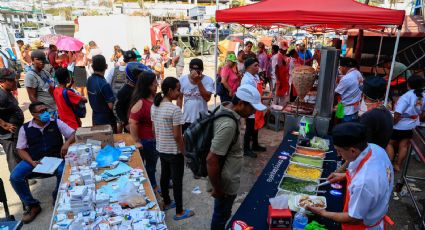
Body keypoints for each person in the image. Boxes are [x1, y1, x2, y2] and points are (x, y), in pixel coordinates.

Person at [307, 122, 394, 230]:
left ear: (353, 150)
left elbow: (353, 218)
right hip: (376, 208)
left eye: (339, 150)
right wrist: (344, 175)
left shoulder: (363, 183)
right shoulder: (375, 148)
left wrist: (323, 213)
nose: (338, 154)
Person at [208, 84, 266, 230]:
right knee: (221, 216)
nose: (253, 112)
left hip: (226, 179)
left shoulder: (226, 108)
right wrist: (217, 189)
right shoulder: (229, 124)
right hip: (224, 185)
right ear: (240, 104)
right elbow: (211, 159)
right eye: (251, 108)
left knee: (223, 214)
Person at [10, 101, 75, 224]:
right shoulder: (25, 128)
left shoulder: (55, 122)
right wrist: (31, 162)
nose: (46, 113)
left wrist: (66, 143)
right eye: (41, 111)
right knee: (15, 177)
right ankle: (32, 205)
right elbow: (20, 149)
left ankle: (57, 196)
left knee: (63, 171)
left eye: (46, 110)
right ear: (33, 115)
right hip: (35, 159)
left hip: (56, 158)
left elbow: (73, 133)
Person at [151, 77, 195, 221]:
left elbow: (153, 129)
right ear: (170, 90)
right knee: (177, 181)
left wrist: (161, 141)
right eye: (177, 89)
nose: (179, 92)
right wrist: (184, 152)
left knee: (164, 176)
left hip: (161, 148)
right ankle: (180, 211)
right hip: (174, 151)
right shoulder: (174, 110)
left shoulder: (155, 106)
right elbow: (177, 136)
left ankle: (167, 202)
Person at [387, 75, 425, 172]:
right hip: (413, 125)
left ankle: (389, 164)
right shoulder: (423, 95)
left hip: (400, 125)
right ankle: (398, 165)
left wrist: (393, 124)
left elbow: (397, 114)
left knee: (389, 143)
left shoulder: (406, 96)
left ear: (408, 85)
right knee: (404, 145)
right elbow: (423, 112)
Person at [129, 71, 159, 192]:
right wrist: (136, 141)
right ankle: (152, 188)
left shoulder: (153, 99)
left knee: (151, 166)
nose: (156, 85)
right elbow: (132, 122)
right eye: (154, 83)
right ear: (147, 86)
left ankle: (151, 186)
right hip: (146, 141)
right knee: (149, 167)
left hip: (153, 140)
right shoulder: (141, 102)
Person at [177, 58, 214, 131]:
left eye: (198, 70)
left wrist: (198, 81)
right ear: (189, 69)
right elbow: (179, 98)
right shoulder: (182, 79)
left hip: (202, 119)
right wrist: (178, 115)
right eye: (192, 70)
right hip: (186, 118)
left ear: (202, 70)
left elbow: (207, 98)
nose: (195, 73)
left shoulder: (208, 80)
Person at [241, 58, 267, 158]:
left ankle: (255, 145)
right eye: (255, 65)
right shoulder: (246, 79)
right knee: (249, 129)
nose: (258, 67)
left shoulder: (255, 76)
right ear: (248, 67)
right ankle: (246, 149)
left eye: (258, 65)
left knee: (256, 127)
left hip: (256, 105)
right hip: (250, 107)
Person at [114, 63, 150, 133]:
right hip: (131, 127)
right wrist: (125, 123)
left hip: (143, 127)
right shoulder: (124, 91)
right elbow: (117, 109)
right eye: (139, 75)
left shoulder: (142, 89)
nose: (141, 77)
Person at [0, 68, 24, 172]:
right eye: (11, 80)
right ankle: (18, 181)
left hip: (15, 132)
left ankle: (23, 176)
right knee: (13, 159)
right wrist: (4, 124)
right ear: (1, 82)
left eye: (15, 79)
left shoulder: (7, 91)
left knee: (19, 155)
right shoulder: (1, 95)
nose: (15, 81)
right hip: (7, 136)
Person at [359, 76, 393, 149]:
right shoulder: (387, 112)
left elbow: (363, 144)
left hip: (370, 156)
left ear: (364, 95)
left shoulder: (368, 116)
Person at [87, 55, 117, 132]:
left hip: (95, 118)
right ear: (106, 66)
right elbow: (111, 106)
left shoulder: (89, 80)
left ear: (93, 67)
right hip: (107, 122)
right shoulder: (104, 84)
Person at [335, 57, 363, 122]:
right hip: (353, 107)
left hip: (347, 111)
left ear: (344, 67)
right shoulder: (358, 73)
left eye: (340, 67)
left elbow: (336, 93)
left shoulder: (347, 78)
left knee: (344, 129)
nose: (340, 69)